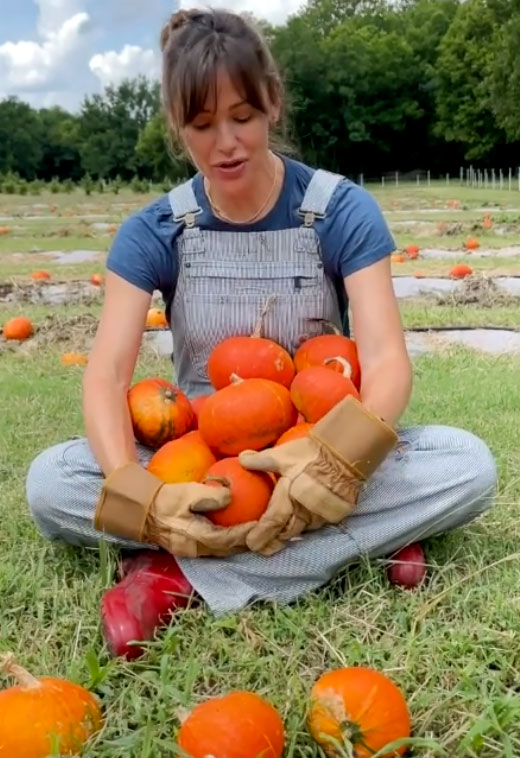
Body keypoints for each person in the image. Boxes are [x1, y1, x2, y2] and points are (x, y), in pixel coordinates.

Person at [26, 8, 497, 660]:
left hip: (320, 446)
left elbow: (387, 360)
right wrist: (143, 495)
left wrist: (340, 462)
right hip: (200, 466)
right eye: (202, 124)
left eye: (242, 116)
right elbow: (106, 375)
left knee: (468, 466)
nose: (226, 142)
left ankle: (176, 576)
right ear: (176, 126)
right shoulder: (154, 230)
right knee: (51, 483)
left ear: (273, 104)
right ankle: (352, 541)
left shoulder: (341, 210)